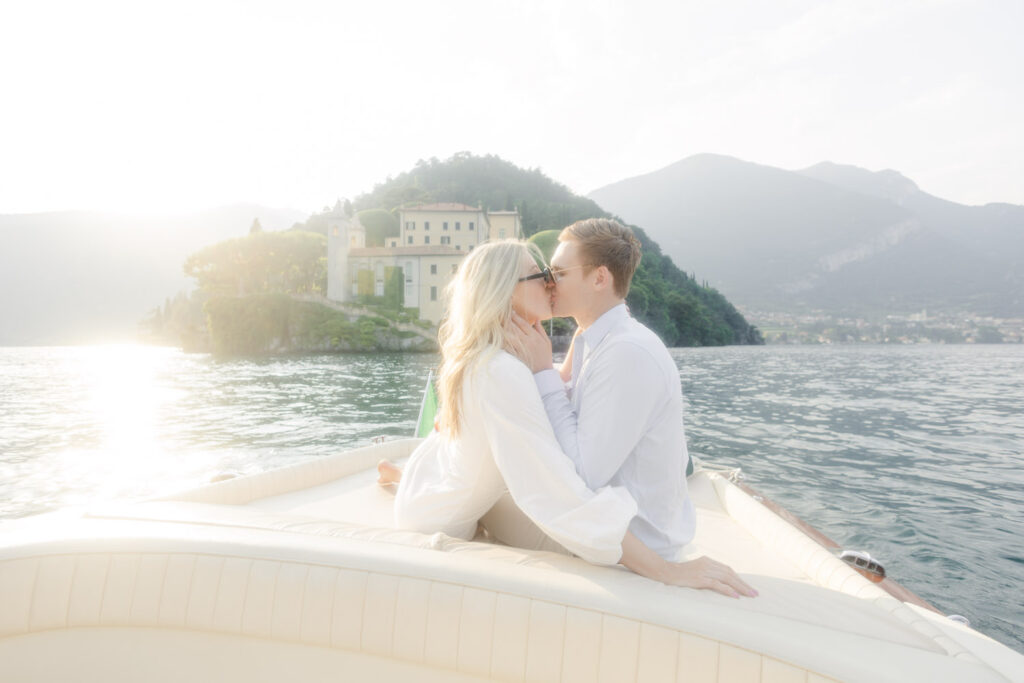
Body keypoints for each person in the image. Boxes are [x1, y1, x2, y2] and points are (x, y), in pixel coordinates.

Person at [384, 239, 755, 598]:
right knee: (527, 489)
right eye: (541, 275)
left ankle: (410, 481)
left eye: (556, 274)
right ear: (506, 291)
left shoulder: (495, 356)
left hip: (432, 490)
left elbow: (546, 404)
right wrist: (666, 571)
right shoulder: (501, 371)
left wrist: (576, 340)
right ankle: (414, 483)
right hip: (437, 520)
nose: (550, 283)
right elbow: (558, 492)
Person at [510, 218, 695, 561]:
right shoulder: (601, 341)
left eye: (559, 272)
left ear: (599, 278)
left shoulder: (627, 353)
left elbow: (583, 475)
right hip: (607, 529)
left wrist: (542, 371)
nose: (548, 282)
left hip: (631, 545)